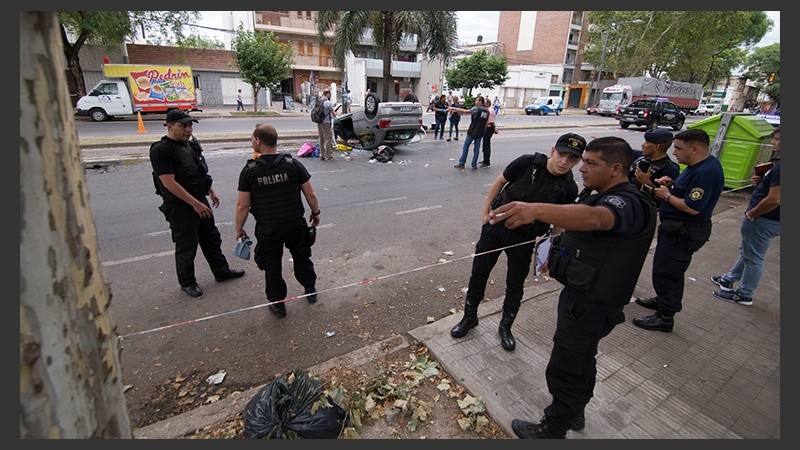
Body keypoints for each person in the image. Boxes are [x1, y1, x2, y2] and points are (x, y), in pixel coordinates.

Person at [488, 136, 657, 439]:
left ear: (615, 169)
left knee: (565, 368)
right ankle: (575, 410)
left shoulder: (625, 202)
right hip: (586, 297)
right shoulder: (601, 194)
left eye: (590, 163)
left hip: (592, 303)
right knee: (581, 362)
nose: (581, 169)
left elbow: (596, 219)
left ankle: (552, 429)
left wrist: (536, 210)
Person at [450, 133, 585, 351]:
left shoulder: (568, 188)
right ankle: (469, 317)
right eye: (562, 154)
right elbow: (499, 182)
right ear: (553, 151)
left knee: (515, 283)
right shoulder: (527, 163)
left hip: (524, 238)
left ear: (577, 162)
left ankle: (506, 326)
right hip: (496, 228)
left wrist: (550, 251)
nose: (564, 162)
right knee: (479, 273)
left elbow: (558, 222)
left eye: (572, 159)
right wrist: (485, 212)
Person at [632, 129, 724, 333]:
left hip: (684, 231)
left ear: (695, 149)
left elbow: (693, 207)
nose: (674, 153)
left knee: (668, 273)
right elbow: (687, 192)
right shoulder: (696, 167)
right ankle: (662, 300)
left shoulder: (706, 172)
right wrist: (671, 185)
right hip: (675, 229)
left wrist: (666, 195)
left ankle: (665, 317)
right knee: (664, 269)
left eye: (679, 149)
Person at [149, 110, 245, 298]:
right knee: (186, 245)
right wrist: (195, 204)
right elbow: (168, 183)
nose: (188, 129)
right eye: (183, 126)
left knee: (211, 238)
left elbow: (199, 172)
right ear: (170, 126)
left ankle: (221, 271)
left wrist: (210, 191)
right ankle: (187, 282)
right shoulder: (161, 149)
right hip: (180, 206)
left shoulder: (189, 145)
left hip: (199, 200)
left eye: (190, 125)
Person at [234, 124, 321, 319]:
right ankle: (310, 289)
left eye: (252, 138)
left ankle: (278, 305)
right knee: (302, 257)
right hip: (295, 223)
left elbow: (242, 205)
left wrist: (238, 229)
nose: (252, 141)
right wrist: (315, 212)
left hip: (268, 227)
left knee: (272, 267)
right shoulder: (292, 164)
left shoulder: (250, 171)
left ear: (258, 140)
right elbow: (310, 193)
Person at [711, 127, 780, 306]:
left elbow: (774, 199)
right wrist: (762, 182)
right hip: (768, 219)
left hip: (765, 219)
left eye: (778, 139)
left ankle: (744, 294)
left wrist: (752, 214)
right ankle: (729, 279)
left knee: (754, 257)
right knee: (748, 251)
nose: (773, 143)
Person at [629, 128, 680, 201]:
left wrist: (646, 182)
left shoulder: (670, 169)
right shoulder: (641, 156)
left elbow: (666, 199)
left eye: (646, 142)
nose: (642, 145)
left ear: (656, 146)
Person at [449, 96, 489, 170]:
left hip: (472, 131)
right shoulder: (487, 111)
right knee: (476, 148)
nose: (475, 101)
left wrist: (454, 109)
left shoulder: (477, 108)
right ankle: (474, 164)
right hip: (480, 132)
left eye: (476, 100)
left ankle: (462, 163)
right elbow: (486, 123)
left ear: (480, 101)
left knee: (466, 146)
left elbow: (466, 111)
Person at [316, 89, 337, 161]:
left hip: (319, 121)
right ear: (328, 94)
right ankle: (329, 156)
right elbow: (334, 114)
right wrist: (335, 110)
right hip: (326, 123)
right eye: (330, 94)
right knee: (328, 139)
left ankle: (322, 155)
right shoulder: (328, 102)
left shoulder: (319, 101)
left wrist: (332, 106)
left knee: (321, 138)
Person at [480, 101, 498, 168]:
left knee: (486, 145)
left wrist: (494, 129)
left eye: (485, 103)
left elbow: (491, 122)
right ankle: (485, 159)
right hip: (487, 128)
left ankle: (487, 162)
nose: (484, 104)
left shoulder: (490, 111)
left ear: (488, 103)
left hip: (488, 129)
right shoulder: (487, 110)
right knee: (485, 145)